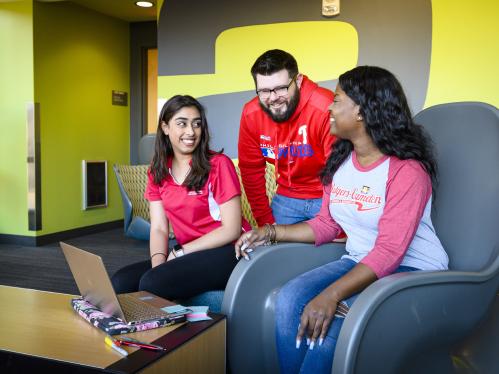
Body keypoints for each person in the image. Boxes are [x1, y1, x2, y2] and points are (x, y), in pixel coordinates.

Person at [235, 66, 449, 373]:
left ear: (362, 111)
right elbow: (326, 225)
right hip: (361, 260)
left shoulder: (407, 171)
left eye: (337, 100)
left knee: (329, 330)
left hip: (413, 269)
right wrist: (269, 232)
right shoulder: (341, 162)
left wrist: (331, 295)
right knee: (288, 299)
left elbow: (389, 251)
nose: (329, 108)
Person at [112, 95, 250, 301]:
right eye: (182, 124)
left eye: (196, 124)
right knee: (121, 282)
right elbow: (159, 228)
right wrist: (158, 265)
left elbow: (231, 229)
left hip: (231, 252)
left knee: (152, 284)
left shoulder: (219, 165)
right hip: (191, 253)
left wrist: (181, 251)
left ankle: (162, 331)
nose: (190, 132)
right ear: (165, 127)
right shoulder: (157, 171)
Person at [238, 49, 336, 226]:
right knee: (272, 251)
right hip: (287, 198)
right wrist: (265, 222)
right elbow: (251, 171)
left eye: (281, 88)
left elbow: (340, 171)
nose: (273, 98)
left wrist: (332, 221)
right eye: (264, 91)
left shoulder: (325, 107)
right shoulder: (251, 114)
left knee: (331, 250)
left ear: (298, 81)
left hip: (327, 197)